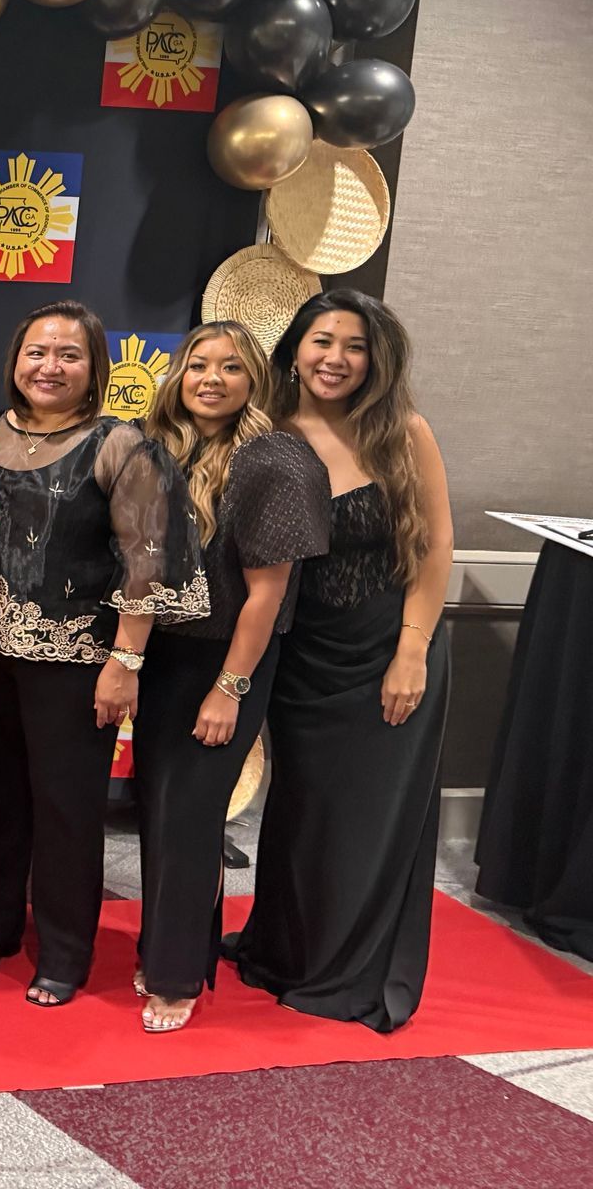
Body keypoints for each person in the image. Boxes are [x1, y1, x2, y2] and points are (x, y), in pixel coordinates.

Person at [0, 300, 206, 1008]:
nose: (50, 367)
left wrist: (126, 662)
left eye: (69, 355)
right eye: (37, 352)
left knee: (66, 811)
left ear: (94, 368)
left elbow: (147, 560)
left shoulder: (119, 446)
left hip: (75, 663)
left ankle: (65, 953)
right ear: (15, 360)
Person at [228, 289, 454, 1032]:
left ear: (375, 360)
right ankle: (282, 951)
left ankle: (344, 970)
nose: (336, 359)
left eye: (354, 346)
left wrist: (412, 651)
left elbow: (434, 548)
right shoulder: (264, 430)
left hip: (389, 651)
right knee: (302, 812)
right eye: (322, 341)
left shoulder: (403, 432)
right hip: (301, 657)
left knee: (367, 819)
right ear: (295, 350)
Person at [133, 323, 329, 1033]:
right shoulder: (160, 447)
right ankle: (176, 946)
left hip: (226, 660)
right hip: (162, 655)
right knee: (162, 811)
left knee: (189, 815)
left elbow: (267, 595)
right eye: (197, 365)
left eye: (231, 367)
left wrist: (230, 688)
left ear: (256, 381)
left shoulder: (274, 459)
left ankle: (175, 977)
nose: (211, 379)